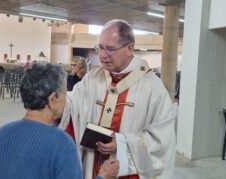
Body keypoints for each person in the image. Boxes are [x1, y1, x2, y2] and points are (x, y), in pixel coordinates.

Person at [59, 19, 177, 179]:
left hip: (126, 172)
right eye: (100, 47)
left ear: (130, 48)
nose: (102, 55)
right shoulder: (93, 77)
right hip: (93, 166)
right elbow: (72, 106)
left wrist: (123, 144)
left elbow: (163, 138)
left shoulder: (152, 87)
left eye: (110, 49)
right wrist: (53, 100)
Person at [0, 63, 118, 179]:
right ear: (52, 99)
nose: (66, 98)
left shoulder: (1, 133)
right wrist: (102, 176)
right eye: (65, 93)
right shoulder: (62, 143)